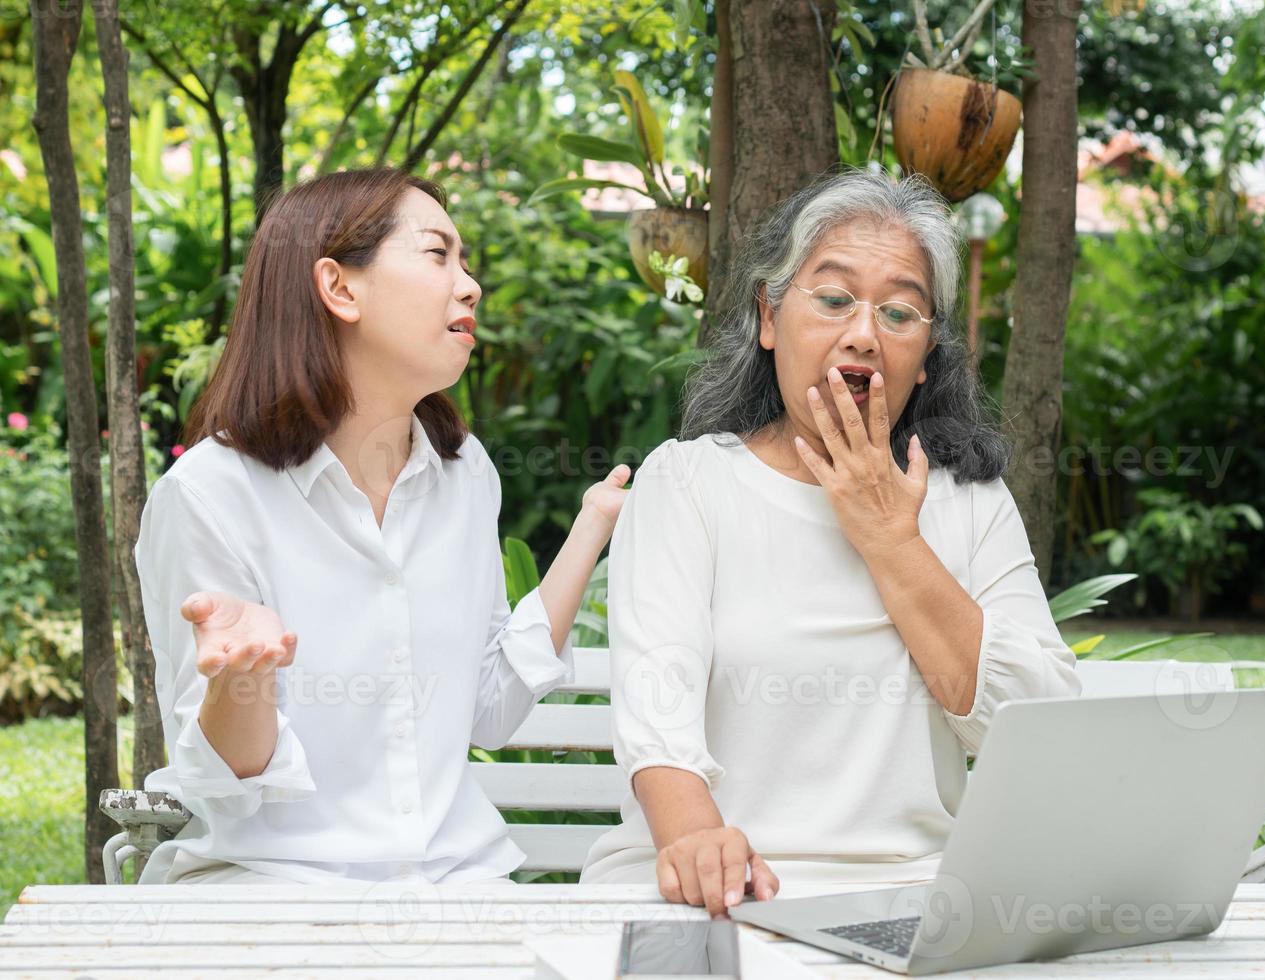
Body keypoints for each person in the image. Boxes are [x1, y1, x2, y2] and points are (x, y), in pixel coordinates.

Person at [579, 170, 1081, 914]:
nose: (863, 335)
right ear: (770, 315)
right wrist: (698, 844)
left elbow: (1039, 731)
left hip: (912, 903)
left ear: (929, 348)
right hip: (709, 895)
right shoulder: (687, 485)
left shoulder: (969, 500)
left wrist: (891, 540)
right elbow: (658, 716)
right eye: (834, 298)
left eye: (901, 312)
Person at [133, 167, 629, 884]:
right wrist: (243, 679)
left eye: (465, 261)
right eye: (437, 254)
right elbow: (230, 777)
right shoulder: (211, 495)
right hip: (276, 888)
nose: (469, 284)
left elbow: (488, 710)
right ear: (340, 288)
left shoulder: (463, 474)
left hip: (461, 884)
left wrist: (590, 528)